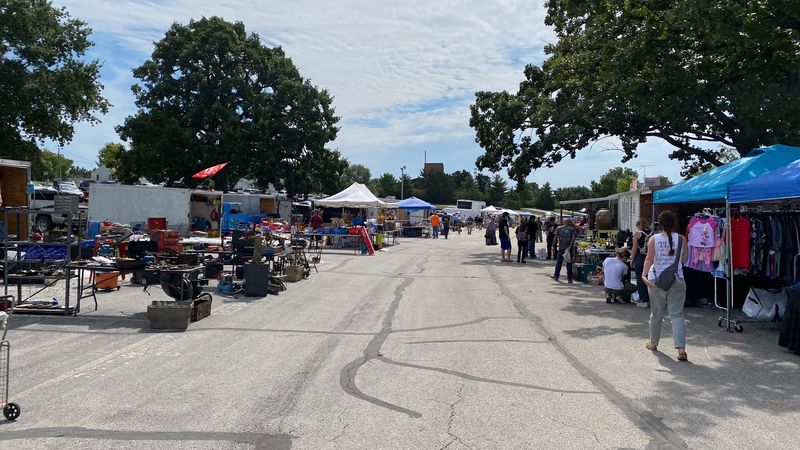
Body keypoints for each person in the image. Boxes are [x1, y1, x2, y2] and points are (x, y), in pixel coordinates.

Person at [641, 210, 689, 361]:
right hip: (677, 279)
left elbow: (649, 259)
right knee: (677, 315)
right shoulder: (682, 239)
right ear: (674, 223)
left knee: (656, 314)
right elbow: (684, 259)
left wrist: (643, 274)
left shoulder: (653, 239)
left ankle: (653, 343)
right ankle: (681, 349)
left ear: (659, 224)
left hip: (655, 280)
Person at [629, 218, 652, 308]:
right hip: (651, 257)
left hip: (641, 257)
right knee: (650, 278)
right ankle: (651, 298)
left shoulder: (638, 234)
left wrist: (632, 259)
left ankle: (644, 299)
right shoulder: (653, 234)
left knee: (640, 278)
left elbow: (634, 248)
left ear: (639, 225)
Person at [551, 218, 577, 283]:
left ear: (563, 222)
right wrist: (570, 246)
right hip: (568, 249)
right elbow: (573, 238)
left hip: (561, 248)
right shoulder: (572, 229)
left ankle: (556, 276)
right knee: (569, 264)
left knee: (559, 263)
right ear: (569, 222)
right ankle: (570, 279)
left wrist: (553, 246)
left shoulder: (559, 228)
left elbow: (555, 237)